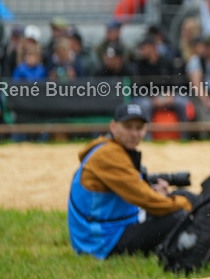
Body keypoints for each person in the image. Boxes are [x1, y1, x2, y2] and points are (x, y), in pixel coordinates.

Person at [67, 102, 193, 258]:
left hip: (110, 229)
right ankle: (189, 251)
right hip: (101, 244)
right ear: (113, 127)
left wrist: (169, 198)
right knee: (179, 213)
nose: (134, 133)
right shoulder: (109, 155)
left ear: (145, 129)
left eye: (139, 128)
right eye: (128, 127)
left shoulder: (110, 148)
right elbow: (147, 200)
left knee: (181, 198)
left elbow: (141, 195)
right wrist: (184, 204)